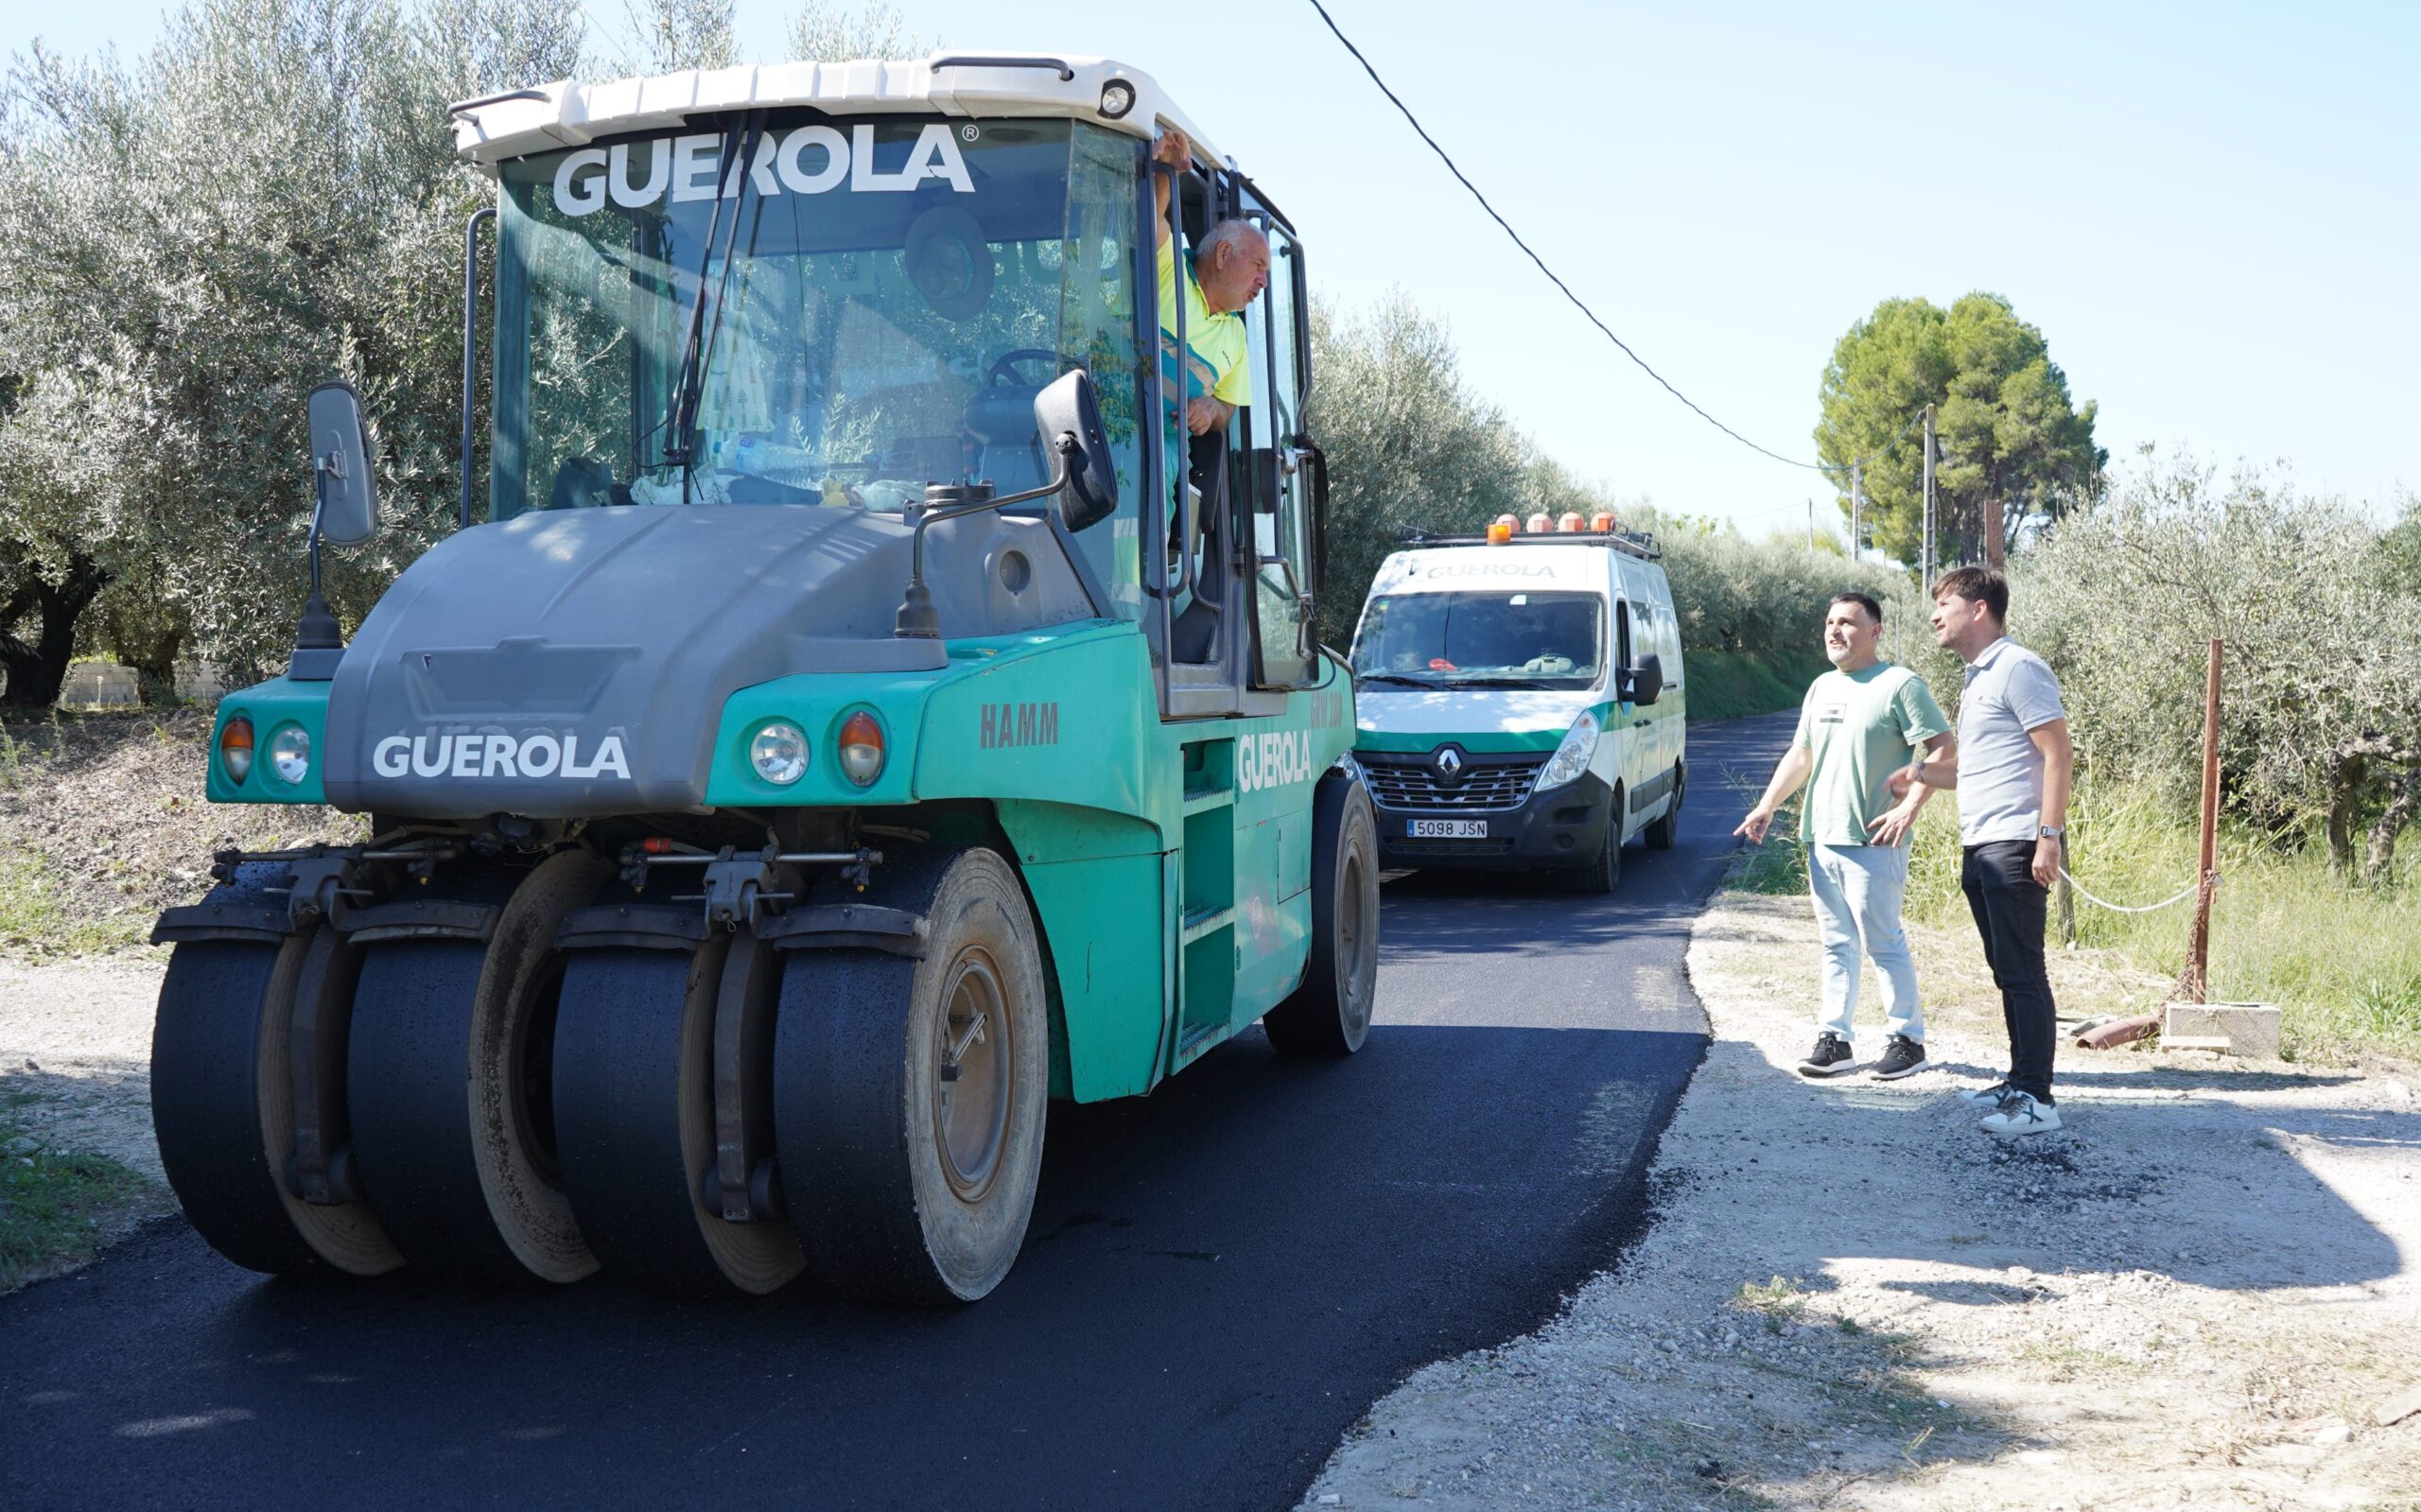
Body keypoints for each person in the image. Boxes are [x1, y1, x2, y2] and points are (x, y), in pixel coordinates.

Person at [1735, 592, 1954, 1082]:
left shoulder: (1901, 684)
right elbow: (1801, 755)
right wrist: (1768, 804)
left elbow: (1942, 748)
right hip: (1822, 835)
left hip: (1875, 838)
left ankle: (1907, 1040)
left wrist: (1909, 808)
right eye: (1831, 622)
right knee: (1836, 943)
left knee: (1883, 940)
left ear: (1875, 632)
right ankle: (1836, 1040)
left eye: (1849, 623)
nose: (1836, 631)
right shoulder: (1820, 687)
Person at [1889, 565, 2074, 1137]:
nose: (1934, 614)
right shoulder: (1977, 677)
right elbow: (1974, 765)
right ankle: (2019, 1081)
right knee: (2005, 970)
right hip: (1983, 843)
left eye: (1944, 602)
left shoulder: (2018, 667)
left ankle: (2038, 1100)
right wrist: (1921, 772)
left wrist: (2048, 837)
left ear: (1979, 609)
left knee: (2023, 972)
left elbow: (2058, 755)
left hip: (2017, 841)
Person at [1149, 128, 1268, 437]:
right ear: (1224, 254)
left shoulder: (1236, 336)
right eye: (1258, 265)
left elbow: (1227, 407)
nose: (1263, 281)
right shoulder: (1167, 265)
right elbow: (1147, 220)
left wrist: (1210, 408)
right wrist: (1169, 172)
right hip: (1106, 424)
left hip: (1165, 453)